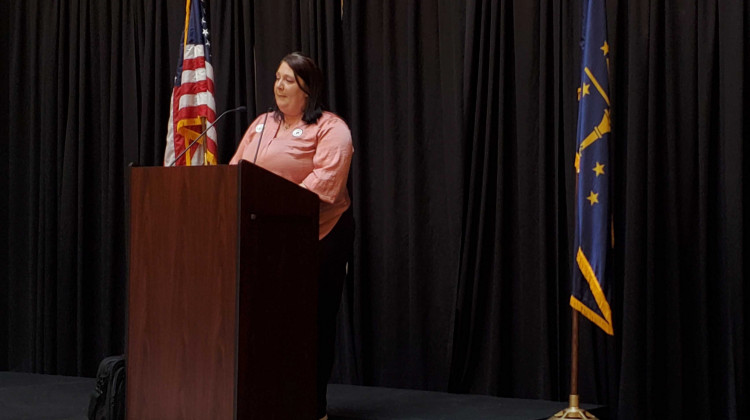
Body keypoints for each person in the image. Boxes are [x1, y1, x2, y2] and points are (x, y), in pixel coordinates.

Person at [230, 52, 354, 420]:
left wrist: (278, 204)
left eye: (288, 80)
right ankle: (270, 401)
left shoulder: (331, 128)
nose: (279, 86)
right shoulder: (260, 124)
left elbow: (326, 186)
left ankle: (312, 406)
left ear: (307, 87)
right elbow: (236, 172)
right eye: (277, 78)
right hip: (265, 238)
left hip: (321, 236)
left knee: (312, 323)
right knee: (268, 323)